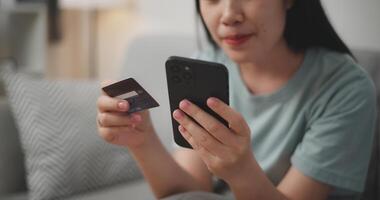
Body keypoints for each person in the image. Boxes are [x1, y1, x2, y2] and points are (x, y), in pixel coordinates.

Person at [96, 0, 377, 199]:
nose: (229, 14)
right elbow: (188, 192)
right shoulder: (206, 64)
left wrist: (241, 171)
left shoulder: (345, 87)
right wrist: (142, 141)